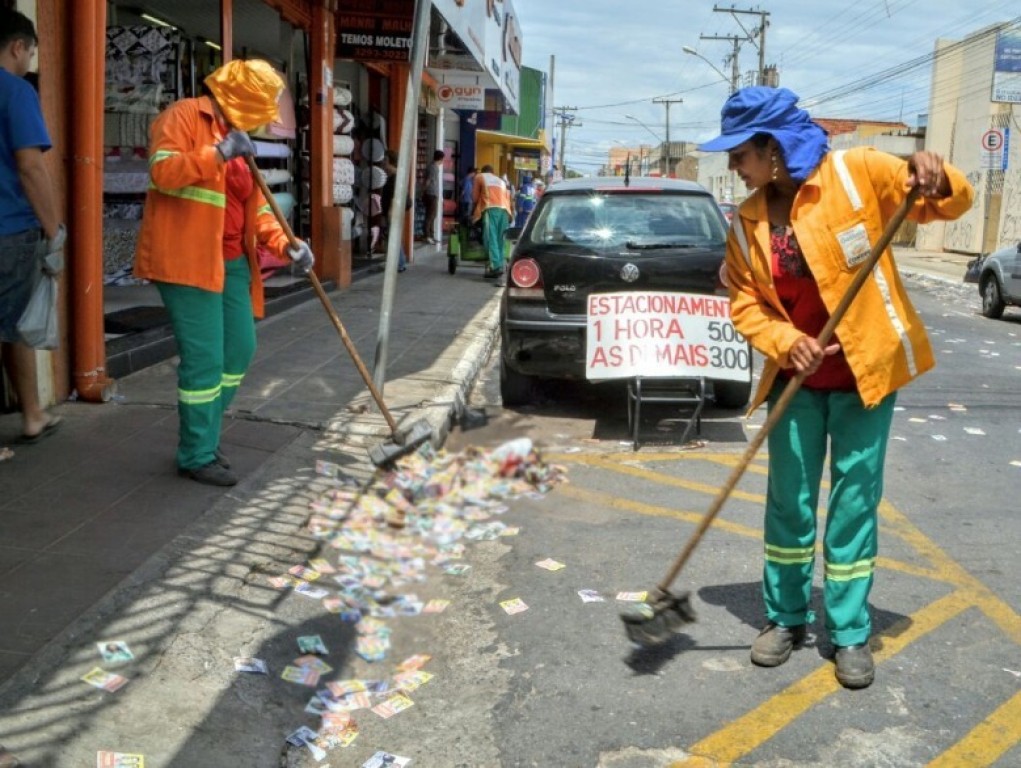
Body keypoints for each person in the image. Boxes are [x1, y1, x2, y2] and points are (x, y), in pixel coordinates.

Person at [699, 86, 973, 689]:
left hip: (864, 377)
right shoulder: (745, 222)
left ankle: (849, 630)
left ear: (773, 148)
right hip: (794, 382)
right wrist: (784, 341)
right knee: (788, 503)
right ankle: (785, 618)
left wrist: (936, 175)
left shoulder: (858, 173)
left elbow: (949, 203)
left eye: (740, 153)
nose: (733, 166)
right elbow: (744, 303)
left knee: (854, 503)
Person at [134, 59, 315, 487]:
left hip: (233, 263)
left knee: (239, 351)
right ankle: (197, 453)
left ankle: (206, 434)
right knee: (205, 360)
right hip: (188, 260)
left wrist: (287, 243)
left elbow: (257, 207)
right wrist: (217, 153)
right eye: (260, 109)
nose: (261, 120)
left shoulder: (237, 138)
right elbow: (163, 173)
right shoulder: (183, 117)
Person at [0, 10, 65, 455]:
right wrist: (53, 228)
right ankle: (32, 414)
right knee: (17, 323)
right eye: (31, 53)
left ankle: (33, 413)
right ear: (17, 47)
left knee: (15, 324)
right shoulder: (15, 90)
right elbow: (30, 167)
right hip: (9, 231)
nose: (29, 62)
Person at [471, 164, 512, 282]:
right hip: (505, 211)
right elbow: (508, 198)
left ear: (483, 171)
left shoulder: (479, 177)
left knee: (491, 237)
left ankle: (494, 267)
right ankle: (500, 265)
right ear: (492, 172)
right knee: (500, 239)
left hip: (491, 209)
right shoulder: (501, 181)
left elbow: (474, 198)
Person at [379, 149, 409, 272]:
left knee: (393, 237)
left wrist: (390, 212)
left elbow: (394, 196)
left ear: (390, 162)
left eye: (385, 161)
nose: (383, 164)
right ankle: (399, 262)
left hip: (393, 212)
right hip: (392, 211)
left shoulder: (395, 178)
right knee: (393, 237)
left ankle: (399, 263)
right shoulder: (393, 177)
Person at [422, 148, 445, 244]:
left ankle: (431, 235)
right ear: (441, 158)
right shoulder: (433, 168)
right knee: (430, 215)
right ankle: (427, 236)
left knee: (433, 215)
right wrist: (423, 191)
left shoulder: (434, 167)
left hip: (433, 193)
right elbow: (428, 181)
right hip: (431, 193)